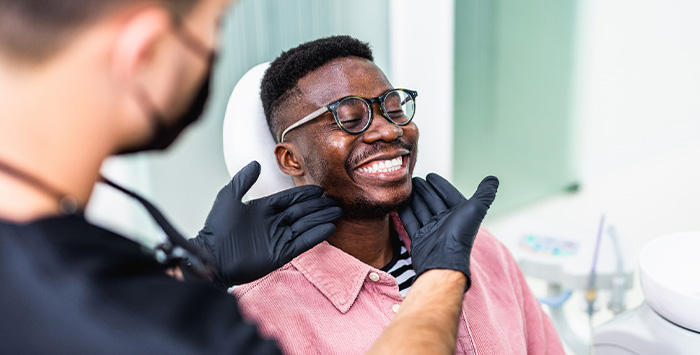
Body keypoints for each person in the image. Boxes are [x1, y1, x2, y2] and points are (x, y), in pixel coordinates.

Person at [0, 1, 496, 354]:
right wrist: (442, 278)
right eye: (213, 26)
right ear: (144, 51)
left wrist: (198, 264)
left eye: (391, 107)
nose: (387, 130)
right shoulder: (200, 328)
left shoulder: (52, 274)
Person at [230, 35, 565, 354]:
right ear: (291, 159)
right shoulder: (259, 318)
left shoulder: (480, 251)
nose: (390, 129)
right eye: (348, 118)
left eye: (394, 108)